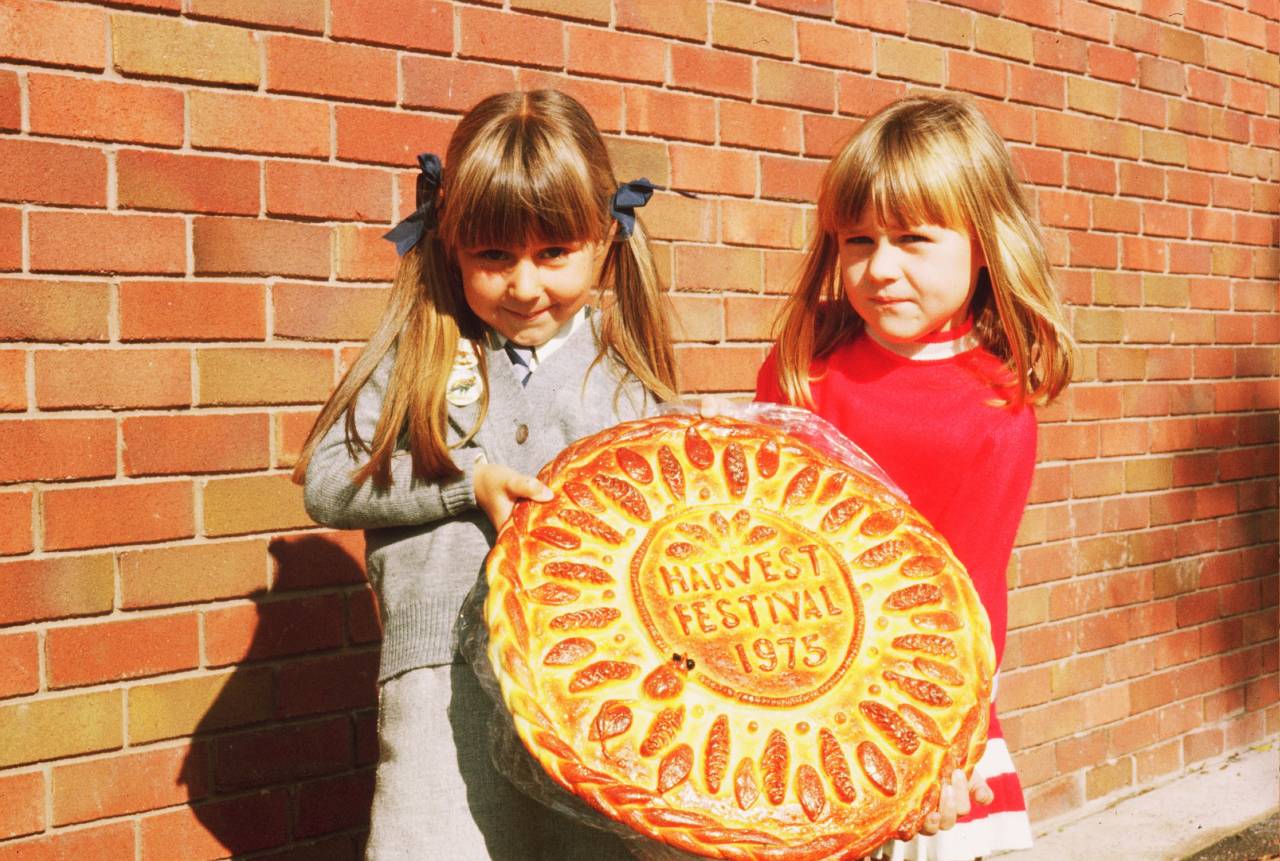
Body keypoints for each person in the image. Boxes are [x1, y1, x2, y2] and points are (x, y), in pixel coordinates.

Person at [294, 90, 678, 860]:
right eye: (494, 257)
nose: (524, 285)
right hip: (440, 687)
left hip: (589, 688)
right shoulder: (424, 355)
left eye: (553, 253)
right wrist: (463, 483)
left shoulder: (629, 383)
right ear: (452, 248)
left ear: (604, 239)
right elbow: (327, 481)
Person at [756, 94, 1074, 861]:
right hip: (794, 697)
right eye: (858, 240)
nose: (880, 268)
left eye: (913, 239)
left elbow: (969, 591)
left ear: (983, 243)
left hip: (918, 716)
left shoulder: (996, 405)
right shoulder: (800, 368)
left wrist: (941, 737)